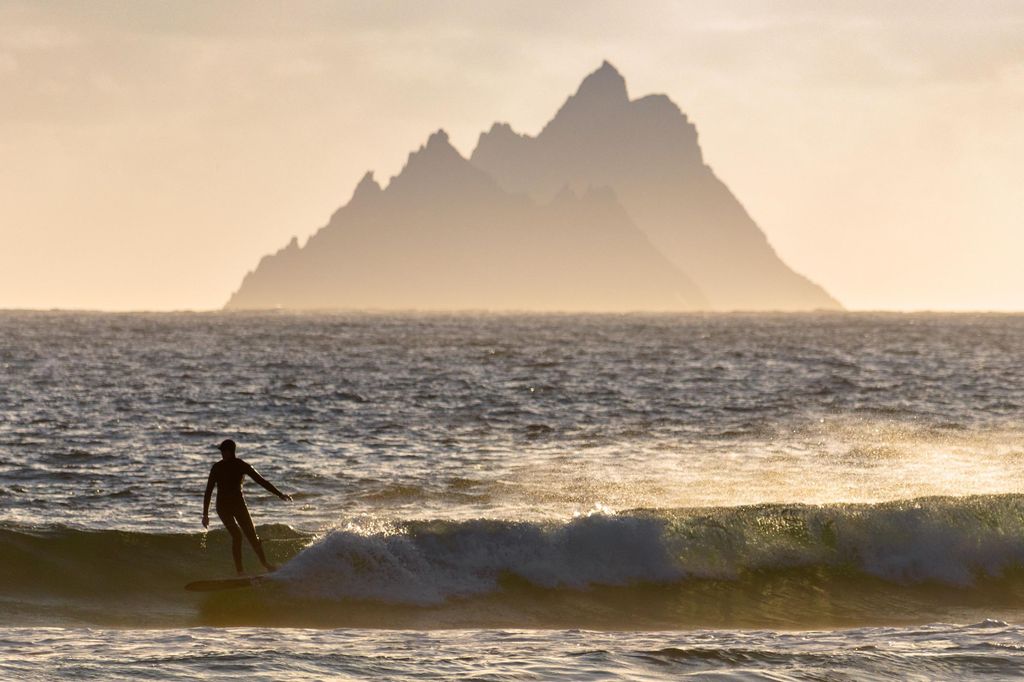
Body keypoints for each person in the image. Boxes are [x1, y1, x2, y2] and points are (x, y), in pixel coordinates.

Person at [202, 439, 292, 575]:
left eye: (223, 451)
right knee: (237, 536)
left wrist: (279, 494)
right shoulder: (217, 467)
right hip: (223, 507)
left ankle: (265, 565)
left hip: (239, 505)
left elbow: (260, 480)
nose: (221, 454)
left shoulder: (241, 465)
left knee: (252, 535)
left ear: (230, 451)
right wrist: (205, 515)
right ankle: (240, 572)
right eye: (221, 451)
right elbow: (208, 491)